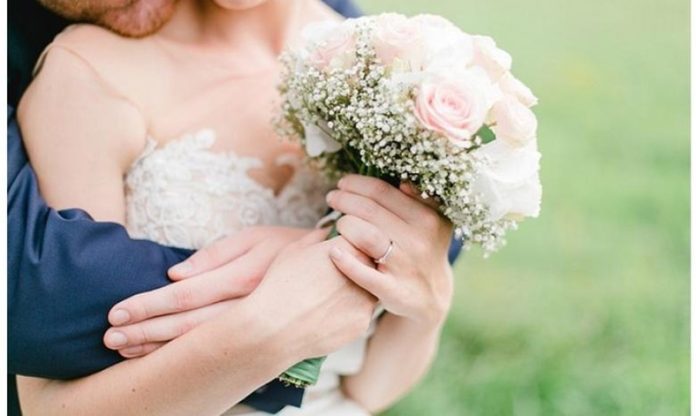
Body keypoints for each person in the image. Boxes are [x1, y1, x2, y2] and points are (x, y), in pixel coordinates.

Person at [9, 0, 462, 414]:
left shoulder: (388, 62)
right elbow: (48, 406)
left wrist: (430, 301)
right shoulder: (90, 75)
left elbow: (369, 391)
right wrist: (268, 329)